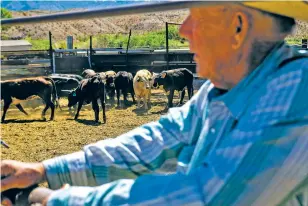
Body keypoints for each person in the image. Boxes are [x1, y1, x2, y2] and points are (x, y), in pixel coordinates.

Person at [1, 1, 308, 205]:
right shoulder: (220, 90)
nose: (185, 30)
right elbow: (157, 139)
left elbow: (207, 198)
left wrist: (52, 199)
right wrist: (43, 170)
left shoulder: (297, 91)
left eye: (196, 17)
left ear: (238, 27)